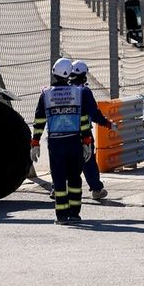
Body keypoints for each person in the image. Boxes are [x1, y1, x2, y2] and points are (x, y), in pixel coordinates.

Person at [31, 57, 98, 224]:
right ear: (69, 74)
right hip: (74, 141)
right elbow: (83, 119)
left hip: (55, 143)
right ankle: (75, 214)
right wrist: (87, 141)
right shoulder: (78, 93)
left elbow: (39, 120)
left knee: (59, 180)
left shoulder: (46, 94)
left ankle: (61, 216)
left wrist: (35, 141)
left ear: (54, 72)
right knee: (75, 178)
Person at [68, 60, 118, 200]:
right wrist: (108, 124)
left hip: (63, 134)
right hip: (83, 135)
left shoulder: (62, 91)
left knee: (63, 161)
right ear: (83, 75)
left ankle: (57, 188)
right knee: (88, 161)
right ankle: (96, 189)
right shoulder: (84, 91)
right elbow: (94, 113)